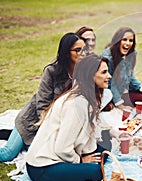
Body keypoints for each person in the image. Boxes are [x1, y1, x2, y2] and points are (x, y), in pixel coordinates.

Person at [0, 32, 89, 162]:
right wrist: (50, 130)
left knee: (43, 157)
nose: (83, 54)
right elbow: (42, 104)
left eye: (84, 50)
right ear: (66, 53)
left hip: (57, 125)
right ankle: (16, 134)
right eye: (77, 50)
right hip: (32, 121)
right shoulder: (52, 72)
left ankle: (11, 135)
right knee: (7, 154)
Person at [26, 55, 112, 181]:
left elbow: (92, 130)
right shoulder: (75, 105)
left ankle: (82, 163)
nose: (109, 76)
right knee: (96, 171)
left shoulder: (88, 96)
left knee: (105, 147)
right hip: (43, 165)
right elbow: (61, 148)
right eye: (104, 72)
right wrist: (81, 161)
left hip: (64, 153)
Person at [101, 26, 142, 110]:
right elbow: (110, 84)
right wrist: (120, 104)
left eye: (131, 40)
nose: (127, 43)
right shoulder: (108, 57)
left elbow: (130, 76)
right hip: (116, 94)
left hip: (126, 87)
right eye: (124, 39)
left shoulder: (131, 54)